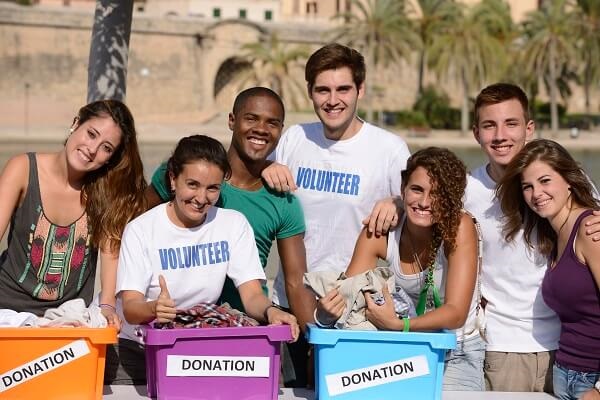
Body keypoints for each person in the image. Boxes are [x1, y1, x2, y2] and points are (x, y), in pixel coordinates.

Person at [261, 43, 411, 387]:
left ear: (360, 89)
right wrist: (266, 172)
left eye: (343, 89)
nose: (333, 100)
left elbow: (419, 204)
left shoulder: (388, 148)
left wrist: (396, 203)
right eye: (322, 90)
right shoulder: (294, 138)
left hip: (357, 314)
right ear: (310, 93)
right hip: (290, 305)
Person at [145, 87, 316, 386]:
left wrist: (315, 343)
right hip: (178, 328)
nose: (261, 129)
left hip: (244, 326)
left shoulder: (283, 201)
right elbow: (132, 226)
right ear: (232, 121)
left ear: (280, 131)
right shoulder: (183, 174)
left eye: (272, 123)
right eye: (251, 118)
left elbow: (295, 282)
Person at [112, 135, 299, 385]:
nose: (201, 198)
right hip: (136, 349)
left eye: (212, 188)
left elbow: (252, 296)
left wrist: (271, 311)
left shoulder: (233, 224)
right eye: (192, 184)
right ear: (172, 179)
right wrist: (154, 308)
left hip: (195, 347)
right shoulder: (140, 230)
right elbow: (132, 308)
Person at [465, 83, 600, 393]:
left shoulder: (568, 184)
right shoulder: (466, 190)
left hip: (568, 350)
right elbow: (421, 212)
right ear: (476, 133)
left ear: (529, 128)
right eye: (489, 125)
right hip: (504, 351)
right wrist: (393, 204)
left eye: (511, 123)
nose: (500, 135)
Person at [317, 147, 484, 391]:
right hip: (403, 348)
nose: (425, 202)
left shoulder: (460, 226)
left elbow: (455, 313)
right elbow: (348, 296)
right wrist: (324, 315)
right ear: (403, 187)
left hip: (456, 351)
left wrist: (399, 325)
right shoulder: (382, 229)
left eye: (437, 194)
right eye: (417, 189)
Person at [0, 99, 146, 327]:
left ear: (110, 158)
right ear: (76, 124)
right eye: (91, 134)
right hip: (7, 314)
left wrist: (106, 309)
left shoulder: (107, 193)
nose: (92, 149)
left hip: (70, 319)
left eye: (106, 148)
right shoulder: (22, 168)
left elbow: (109, 278)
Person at [496, 139, 600, 400]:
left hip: (590, 381)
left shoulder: (590, 230)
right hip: (564, 376)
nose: (536, 193)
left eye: (545, 181)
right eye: (527, 186)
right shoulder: (555, 235)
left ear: (569, 180)